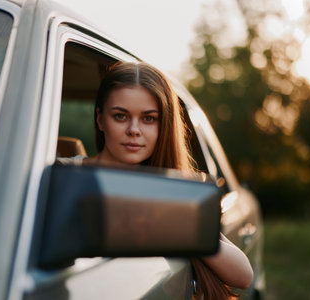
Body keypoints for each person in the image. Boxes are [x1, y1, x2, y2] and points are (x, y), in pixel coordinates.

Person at [59, 61, 253, 299]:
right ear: (100, 119)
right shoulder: (61, 175)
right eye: (120, 116)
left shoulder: (169, 191)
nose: (134, 129)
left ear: (164, 126)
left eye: (149, 119)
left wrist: (180, 225)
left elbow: (243, 276)